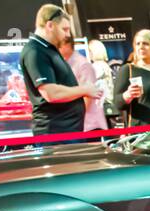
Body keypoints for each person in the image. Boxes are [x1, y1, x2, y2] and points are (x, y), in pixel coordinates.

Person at [20, 4, 97, 136]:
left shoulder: (47, 49)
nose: (67, 35)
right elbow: (50, 93)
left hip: (66, 131)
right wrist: (84, 90)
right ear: (50, 25)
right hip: (55, 133)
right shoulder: (35, 51)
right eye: (64, 29)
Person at [59, 36, 106, 131]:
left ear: (67, 45)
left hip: (87, 125)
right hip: (76, 123)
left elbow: (88, 96)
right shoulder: (66, 64)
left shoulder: (82, 65)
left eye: (58, 45)